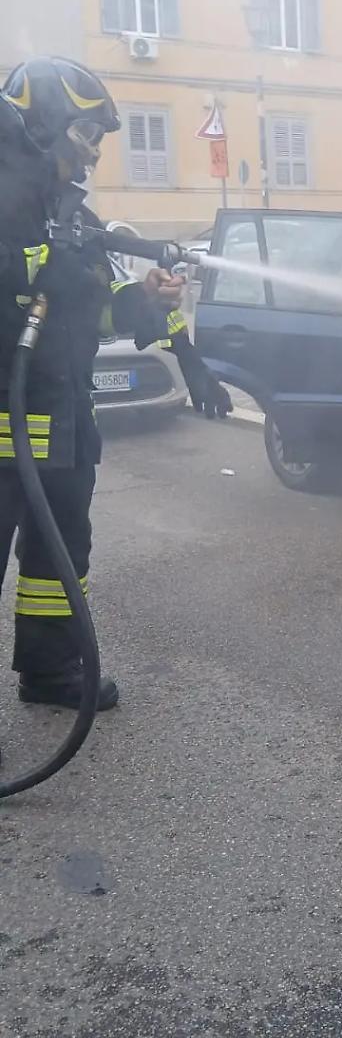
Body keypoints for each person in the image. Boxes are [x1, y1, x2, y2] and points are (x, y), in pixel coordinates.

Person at [0, 56, 232, 713]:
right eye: (85, 136)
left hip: (61, 417)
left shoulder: (64, 209)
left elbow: (85, 309)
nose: (95, 155)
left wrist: (141, 302)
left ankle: (50, 671)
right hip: (5, 424)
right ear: (44, 125)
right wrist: (37, 269)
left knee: (61, 552)